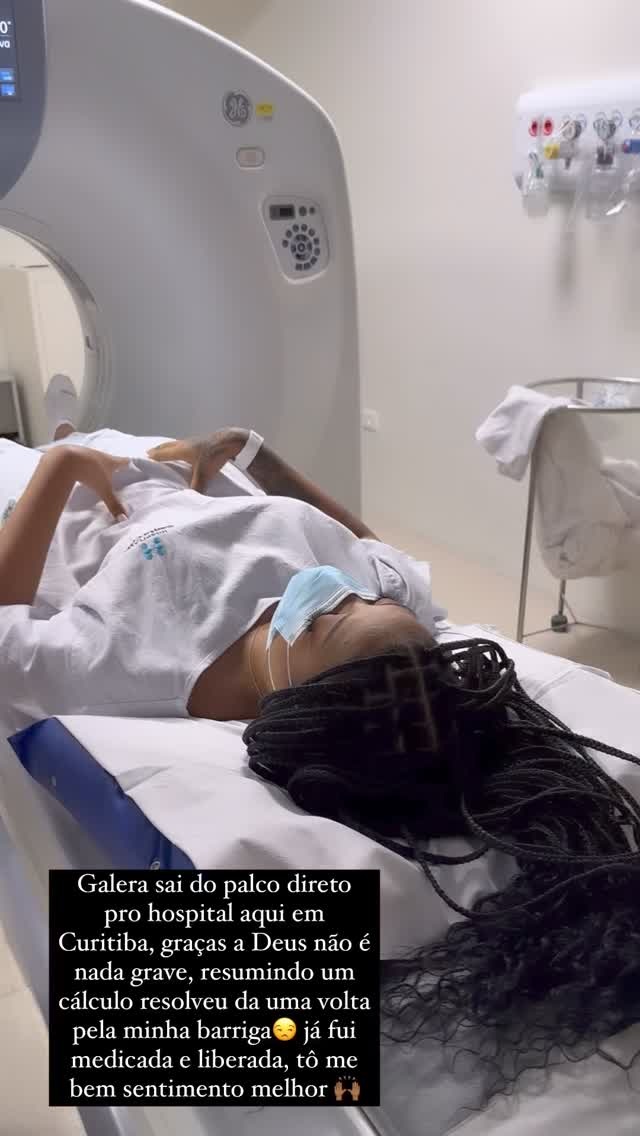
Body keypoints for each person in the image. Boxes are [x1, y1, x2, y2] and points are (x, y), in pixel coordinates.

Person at [0, 377, 442, 731]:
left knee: (46, 448)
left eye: (328, 618)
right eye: (374, 599)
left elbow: (6, 635)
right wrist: (247, 450)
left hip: (72, 500)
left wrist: (62, 464)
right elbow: (369, 545)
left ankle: (60, 436)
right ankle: (66, 428)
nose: (344, 587)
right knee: (103, 436)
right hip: (189, 472)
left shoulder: (139, 665)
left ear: (296, 698)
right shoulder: (394, 640)